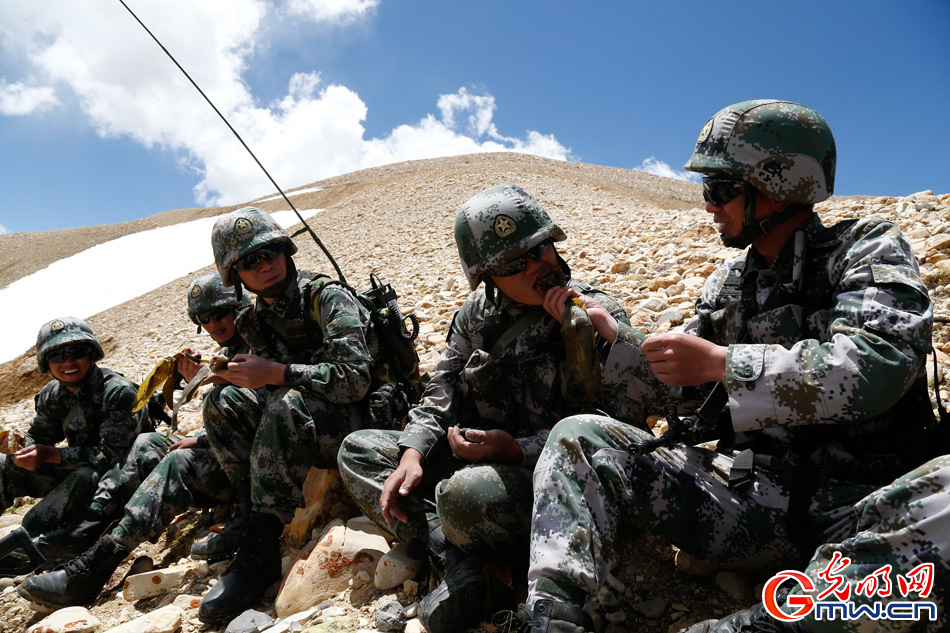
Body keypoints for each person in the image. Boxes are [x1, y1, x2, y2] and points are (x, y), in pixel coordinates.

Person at [501, 100, 936, 633]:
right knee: (579, 439)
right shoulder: (730, 285)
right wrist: (619, 344)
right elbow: (688, 396)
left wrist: (728, 363)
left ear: (781, 186)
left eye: (721, 189)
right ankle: (553, 619)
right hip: (761, 502)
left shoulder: (865, 249)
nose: (709, 206)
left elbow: (879, 366)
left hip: (869, 507)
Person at [337, 184, 644, 633]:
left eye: (541, 249)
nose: (539, 265)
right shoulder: (473, 318)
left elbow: (619, 433)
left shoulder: (594, 314)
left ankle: (486, 560)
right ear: (487, 276)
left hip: (556, 483)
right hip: (486, 463)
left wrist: (516, 450)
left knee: (465, 497)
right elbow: (440, 388)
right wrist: (414, 454)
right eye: (514, 263)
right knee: (360, 450)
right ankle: (455, 557)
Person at [17, 272, 248, 608]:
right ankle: (87, 539)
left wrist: (52, 455)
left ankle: (91, 562)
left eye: (221, 312)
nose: (213, 322)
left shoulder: (264, 347)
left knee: (160, 453)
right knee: (152, 444)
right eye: (204, 317)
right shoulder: (52, 395)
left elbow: (260, 414)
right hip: (231, 456)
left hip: (255, 470)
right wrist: (199, 437)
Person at [196, 207, 379, 625]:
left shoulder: (326, 297)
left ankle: (260, 550)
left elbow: (354, 379)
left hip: (364, 417)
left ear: (287, 251)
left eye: (271, 251)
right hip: (306, 419)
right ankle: (251, 513)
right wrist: (238, 378)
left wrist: (277, 374)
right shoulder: (253, 318)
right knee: (223, 403)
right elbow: (264, 380)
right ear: (234, 275)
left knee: (284, 405)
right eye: (249, 261)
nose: (264, 265)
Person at [0, 317, 149, 570]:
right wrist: (17, 447)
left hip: (115, 480)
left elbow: (112, 455)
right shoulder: (52, 394)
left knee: (82, 477)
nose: (68, 362)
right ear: (47, 364)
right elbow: (41, 436)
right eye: (57, 356)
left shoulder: (117, 392)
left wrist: (53, 456)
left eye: (76, 352)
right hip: (77, 470)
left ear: (91, 355)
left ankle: (32, 544)